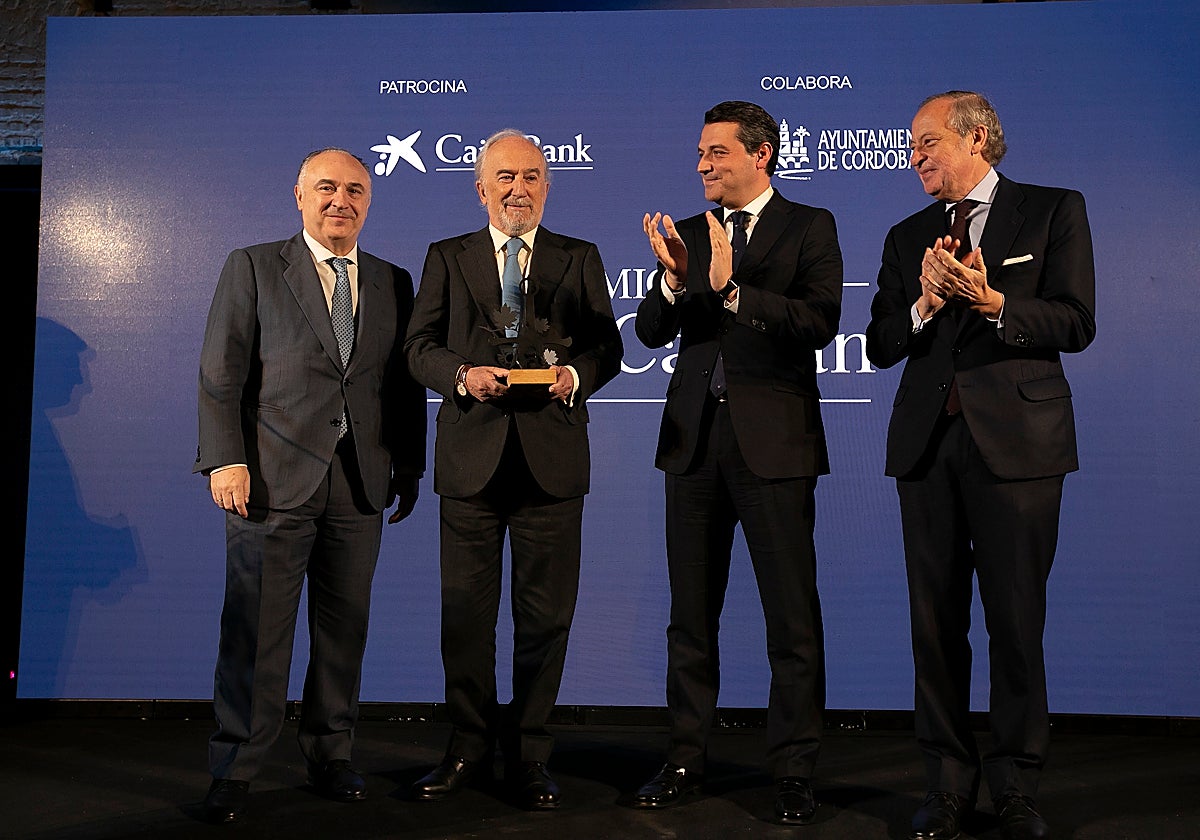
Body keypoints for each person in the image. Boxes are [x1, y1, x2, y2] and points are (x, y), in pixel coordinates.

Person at [866, 91, 1096, 840]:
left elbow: (1076, 320)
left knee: (1015, 620)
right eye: (911, 148)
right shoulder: (907, 236)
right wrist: (926, 304)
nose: (915, 158)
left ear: (976, 138)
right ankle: (947, 784)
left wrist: (996, 301)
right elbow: (878, 344)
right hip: (929, 446)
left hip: (1020, 445)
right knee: (934, 626)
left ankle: (1016, 784)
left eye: (928, 143)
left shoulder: (1053, 209)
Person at [195, 148, 426, 823]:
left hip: (360, 487)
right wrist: (224, 459)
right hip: (268, 481)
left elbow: (402, 387)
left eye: (355, 190)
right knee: (256, 632)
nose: (340, 201)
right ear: (298, 195)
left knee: (343, 632)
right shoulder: (254, 266)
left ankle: (331, 754)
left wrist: (406, 465)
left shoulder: (393, 279)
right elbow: (220, 373)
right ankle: (236, 766)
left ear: (369, 201)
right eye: (326, 188)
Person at [633, 100, 843, 825]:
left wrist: (731, 291)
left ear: (760, 155)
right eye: (699, 153)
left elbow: (819, 323)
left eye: (717, 153)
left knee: (791, 618)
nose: (702, 165)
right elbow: (653, 332)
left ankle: (792, 771)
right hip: (693, 443)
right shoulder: (688, 233)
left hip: (775, 445)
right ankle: (686, 757)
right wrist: (669, 282)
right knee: (690, 617)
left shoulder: (810, 226)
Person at [404, 129, 622, 810]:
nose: (518, 188)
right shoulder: (447, 256)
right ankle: (467, 749)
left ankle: (531, 756)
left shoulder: (578, 256)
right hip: (470, 461)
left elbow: (606, 348)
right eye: (505, 177)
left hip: (552, 463)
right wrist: (464, 375)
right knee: (465, 618)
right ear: (481, 188)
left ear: (547, 186)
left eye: (531, 176)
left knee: (544, 620)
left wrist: (572, 375)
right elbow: (418, 348)